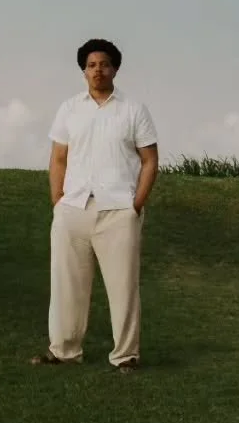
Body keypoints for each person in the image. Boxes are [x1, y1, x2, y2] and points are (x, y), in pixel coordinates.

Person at [32, 40, 158, 371]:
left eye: (104, 64)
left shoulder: (133, 109)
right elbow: (58, 157)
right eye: (91, 65)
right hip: (73, 208)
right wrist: (58, 200)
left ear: (115, 68)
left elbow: (149, 159)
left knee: (123, 287)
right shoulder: (69, 109)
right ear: (84, 71)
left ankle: (125, 355)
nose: (97, 70)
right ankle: (63, 350)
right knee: (66, 284)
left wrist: (136, 204)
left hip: (118, 210)